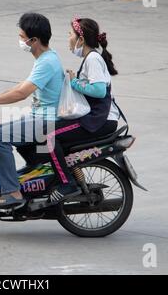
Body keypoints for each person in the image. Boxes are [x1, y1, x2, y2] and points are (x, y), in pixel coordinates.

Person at [0, 12, 80, 209]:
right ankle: (35, 179)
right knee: (1, 129)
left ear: (34, 40)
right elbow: (20, 86)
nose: (20, 40)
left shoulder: (47, 62)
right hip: (39, 117)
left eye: (22, 37)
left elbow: (22, 93)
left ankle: (12, 192)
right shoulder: (45, 58)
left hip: (46, 120)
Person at [45, 15, 121, 203]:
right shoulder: (90, 58)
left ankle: (66, 183)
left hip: (99, 120)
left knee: (49, 136)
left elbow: (99, 90)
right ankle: (70, 178)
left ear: (81, 39)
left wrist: (74, 82)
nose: (68, 38)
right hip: (97, 118)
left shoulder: (93, 59)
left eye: (70, 34)